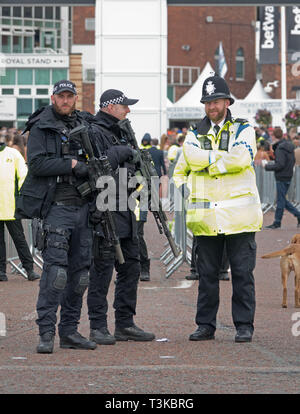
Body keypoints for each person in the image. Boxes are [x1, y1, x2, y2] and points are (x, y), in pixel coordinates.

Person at [173, 74, 262, 343]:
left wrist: (207, 163)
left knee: (243, 276)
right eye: (207, 102)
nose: (212, 107)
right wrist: (190, 192)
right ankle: (205, 325)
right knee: (207, 277)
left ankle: (244, 326)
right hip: (206, 218)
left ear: (227, 101)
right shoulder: (193, 133)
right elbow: (185, 165)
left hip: (239, 217)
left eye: (216, 101)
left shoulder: (244, 128)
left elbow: (242, 157)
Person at [15, 80, 97, 353]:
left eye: (69, 96)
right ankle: (46, 332)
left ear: (75, 98)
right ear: (53, 97)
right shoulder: (41, 126)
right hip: (57, 210)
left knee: (80, 276)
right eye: (60, 96)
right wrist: (72, 164)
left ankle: (70, 331)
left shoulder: (84, 124)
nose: (65, 100)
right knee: (56, 274)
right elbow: (36, 164)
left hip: (84, 208)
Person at [86, 89, 155, 345]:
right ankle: (97, 326)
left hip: (125, 206)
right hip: (104, 209)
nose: (128, 110)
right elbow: (98, 169)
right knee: (102, 269)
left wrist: (140, 171)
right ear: (109, 107)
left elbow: (129, 170)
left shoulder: (122, 132)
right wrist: (124, 154)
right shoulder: (93, 131)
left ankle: (125, 324)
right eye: (124, 106)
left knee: (132, 266)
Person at [0, 136, 40, 282]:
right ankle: (1, 272)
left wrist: (23, 200)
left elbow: (23, 177)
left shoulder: (13, 154)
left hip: (11, 206)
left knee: (19, 239)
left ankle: (29, 269)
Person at [264, 127, 300, 229]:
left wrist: (266, 166)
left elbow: (279, 164)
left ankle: (277, 222)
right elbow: (291, 161)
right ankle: (297, 215)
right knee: (282, 199)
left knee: (281, 200)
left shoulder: (280, 148)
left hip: (281, 176)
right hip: (288, 175)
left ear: (273, 136)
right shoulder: (289, 146)